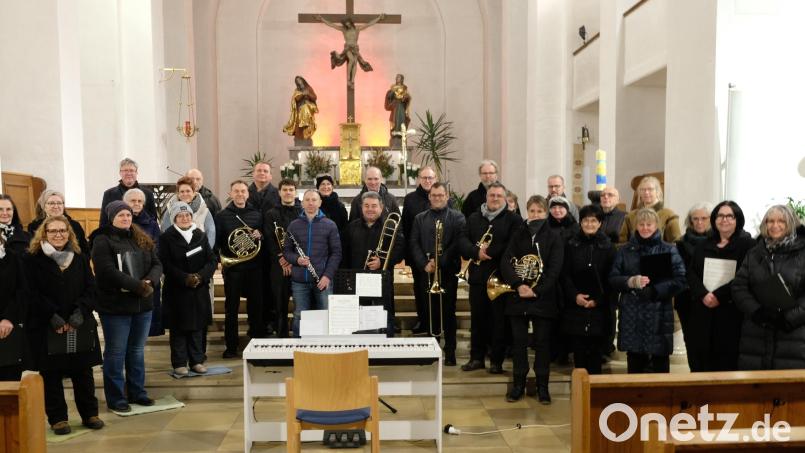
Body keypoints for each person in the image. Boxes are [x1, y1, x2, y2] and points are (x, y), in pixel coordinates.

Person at [26, 216, 103, 434]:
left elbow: (91, 288)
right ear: (44, 234)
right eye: (53, 231)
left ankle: (90, 414)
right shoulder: (32, 259)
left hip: (78, 323)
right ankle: (58, 418)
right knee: (51, 373)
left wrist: (80, 311)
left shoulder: (79, 257)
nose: (58, 234)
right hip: (47, 324)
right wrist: (51, 315)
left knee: (83, 371)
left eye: (62, 230)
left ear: (69, 233)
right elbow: (30, 293)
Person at [91, 200, 162, 412]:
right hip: (116, 307)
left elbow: (157, 263)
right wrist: (137, 286)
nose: (125, 218)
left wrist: (150, 281)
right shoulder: (102, 239)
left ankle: (137, 392)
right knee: (115, 353)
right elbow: (106, 271)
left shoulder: (141, 237)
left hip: (142, 305)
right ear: (111, 218)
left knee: (137, 351)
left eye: (128, 215)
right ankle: (116, 398)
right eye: (121, 215)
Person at [609, 208, 686, 374]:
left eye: (649, 224)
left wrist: (656, 291)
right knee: (635, 365)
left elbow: (680, 280)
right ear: (636, 226)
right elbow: (613, 278)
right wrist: (631, 281)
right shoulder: (624, 250)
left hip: (659, 312)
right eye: (641, 224)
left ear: (656, 225)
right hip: (632, 313)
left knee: (660, 366)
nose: (645, 228)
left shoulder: (669, 249)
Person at [501, 204, 563, 403]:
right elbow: (506, 261)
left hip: (543, 297)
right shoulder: (518, 233)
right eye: (532, 211)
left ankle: (542, 387)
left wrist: (536, 290)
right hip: (518, 296)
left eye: (539, 211)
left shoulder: (554, 236)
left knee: (542, 343)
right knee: (518, 343)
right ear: (527, 212)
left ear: (545, 213)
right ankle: (518, 385)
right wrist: (518, 285)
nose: (535, 215)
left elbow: (554, 269)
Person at [733, 205, 805, 370]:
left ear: (791, 223)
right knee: (756, 383)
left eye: (781, 221)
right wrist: (757, 311)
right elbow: (739, 287)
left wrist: (789, 318)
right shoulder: (754, 253)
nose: (775, 225)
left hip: (794, 334)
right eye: (770, 221)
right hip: (756, 333)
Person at [685, 201, 754, 372]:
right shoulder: (703, 244)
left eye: (730, 216)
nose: (724, 220)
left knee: (726, 361)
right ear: (714, 219)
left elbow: (744, 276)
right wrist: (704, 294)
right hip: (703, 309)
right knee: (701, 359)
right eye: (720, 216)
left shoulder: (748, 245)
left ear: (738, 219)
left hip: (730, 310)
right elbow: (692, 273)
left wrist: (718, 295)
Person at [459, 182, 520, 373]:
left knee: (498, 322)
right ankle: (476, 358)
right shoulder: (474, 217)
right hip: (477, 277)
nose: (495, 198)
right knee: (477, 320)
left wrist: (489, 252)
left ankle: (496, 361)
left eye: (499, 196)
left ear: (505, 198)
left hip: (500, 278)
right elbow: (462, 240)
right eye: (491, 195)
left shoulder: (513, 219)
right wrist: (476, 252)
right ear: (486, 197)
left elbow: (513, 244)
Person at [410, 183, 466, 365]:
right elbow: (414, 243)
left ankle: (450, 352)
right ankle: (431, 350)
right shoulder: (420, 218)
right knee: (429, 311)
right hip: (427, 272)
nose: (437, 198)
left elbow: (458, 243)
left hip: (448, 271)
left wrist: (439, 262)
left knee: (448, 311)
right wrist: (424, 263)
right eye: (434, 195)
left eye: (441, 195)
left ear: (447, 196)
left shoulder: (457, 217)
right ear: (429, 196)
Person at [159, 202, 217, 376]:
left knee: (198, 328)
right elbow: (165, 263)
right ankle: (179, 363)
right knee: (178, 328)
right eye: (180, 216)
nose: (184, 218)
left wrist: (200, 276)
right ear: (174, 218)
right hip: (177, 289)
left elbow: (211, 260)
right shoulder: (166, 237)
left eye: (187, 215)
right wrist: (185, 278)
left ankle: (197, 361)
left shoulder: (200, 235)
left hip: (198, 289)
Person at [560, 205, 615, 375]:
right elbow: (564, 275)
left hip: (599, 308)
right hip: (576, 306)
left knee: (596, 355)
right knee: (579, 355)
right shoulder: (570, 245)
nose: (589, 224)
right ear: (580, 222)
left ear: (600, 223)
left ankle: (595, 389)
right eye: (585, 220)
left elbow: (611, 278)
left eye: (593, 221)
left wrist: (598, 300)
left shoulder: (608, 247)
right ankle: (580, 389)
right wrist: (575, 295)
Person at [341, 192, 405, 335]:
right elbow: (344, 254)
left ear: (381, 208)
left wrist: (382, 261)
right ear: (361, 207)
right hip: (357, 280)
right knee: (360, 319)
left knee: (384, 316)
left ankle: (386, 343)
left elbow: (400, 250)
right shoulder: (351, 228)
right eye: (367, 206)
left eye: (374, 206)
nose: (370, 209)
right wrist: (347, 278)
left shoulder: (390, 227)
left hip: (381, 280)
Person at [215, 180, 265, 358]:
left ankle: (256, 344)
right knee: (231, 309)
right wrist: (220, 261)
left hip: (254, 268)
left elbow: (263, 237)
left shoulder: (257, 214)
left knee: (256, 308)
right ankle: (231, 346)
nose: (240, 194)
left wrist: (260, 235)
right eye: (236, 191)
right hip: (233, 269)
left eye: (243, 191)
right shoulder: (222, 216)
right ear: (230, 194)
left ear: (248, 194)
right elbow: (217, 242)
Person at [284, 190, 342, 337]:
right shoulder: (293, 225)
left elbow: (336, 253)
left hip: (322, 279)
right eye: (307, 200)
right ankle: (298, 347)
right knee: (299, 315)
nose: (311, 203)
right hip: (299, 281)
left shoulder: (330, 225)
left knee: (325, 314)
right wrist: (297, 259)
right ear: (302, 203)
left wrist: (327, 276)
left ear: (320, 203)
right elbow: (287, 252)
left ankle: (324, 346)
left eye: (314, 200)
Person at [402, 167, 441, 334]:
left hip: (439, 255)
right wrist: (412, 255)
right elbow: (406, 228)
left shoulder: (443, 197)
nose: (427, 180)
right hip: (417, 254)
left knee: (438, 291)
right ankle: (423, 320)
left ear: (435, 178)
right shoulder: (410, 199)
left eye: (430, 177)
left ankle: (438, 322)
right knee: (419, 289)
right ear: (418, 179)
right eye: (424, 177)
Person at [674, 202, 713, 360]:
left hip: (712, 298)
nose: (699, 222)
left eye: (704, 218)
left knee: (711, 343)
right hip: (687, 299)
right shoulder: (680, 244)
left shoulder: (719, 242)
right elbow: (679, 272)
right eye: (695, 219)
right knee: (691, 342)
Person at [264, 179, 301, 338]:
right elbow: (269, 238)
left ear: (295, 192)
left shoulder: (303, 212)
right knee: (280, 304)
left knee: (301, 304)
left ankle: (301, 337)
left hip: (299, 265)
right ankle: (282, 338)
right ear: (279, 192)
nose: (288, 192)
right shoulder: (270, 214)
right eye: (284, 190)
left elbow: (304, 239)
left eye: (291, 189)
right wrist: (282, 259)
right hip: (279, 265)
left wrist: (293, 260)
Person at [124, 188, 162, 336]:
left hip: (147, 272)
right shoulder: (120, 221)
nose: (137, 203)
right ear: (125, 203)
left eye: (140, 201)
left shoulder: (152, 224)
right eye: (133, 201)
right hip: (126, 273)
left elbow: (157, 248)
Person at [248, 161, 280, 335]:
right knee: (253, 289)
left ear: (270, 175)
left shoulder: (277, 193)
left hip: (271, 248)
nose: (262, 173)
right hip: (249, 248)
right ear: (253, 174)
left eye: (265, 171)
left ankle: (271, 322)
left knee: (271, 288)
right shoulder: (245, 192)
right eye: (259, 170)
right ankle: (255, 323)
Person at [316, 13, 386, 88]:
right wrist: (322, 19)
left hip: (355, 48)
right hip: (348, 48)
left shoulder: (357, 29)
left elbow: (368, 24)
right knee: (352, 60)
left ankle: (352, 81)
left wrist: (379, 18)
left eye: (348, 23)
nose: (347, 25)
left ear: (351, 22)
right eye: (346, 24)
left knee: (355, 63)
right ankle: (348, 79)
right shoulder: (343, 29)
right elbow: (332, 25)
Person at [619, 176, 681, 243]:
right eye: (643, 189)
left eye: (650, 189)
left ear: (657, 191)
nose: (646, 192)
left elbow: (675, 242)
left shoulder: (668, 214)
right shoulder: (631, 215)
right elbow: (622, 241)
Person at [0, 230, 27, 381]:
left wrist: (8, 318)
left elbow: (22, 290)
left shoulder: (13, 258)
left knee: (9, 382)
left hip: (8, 328)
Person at [160, 176, 216, 248]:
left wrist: (205, 251)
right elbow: (165, 233)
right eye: (182, 191)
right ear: (178, 194)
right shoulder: (170, 211)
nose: (185, 194)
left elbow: (211, 233)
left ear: (194, 192)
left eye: (188, 191)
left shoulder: (204, 211)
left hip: (200, 252)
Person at [99, 158, 156, 227]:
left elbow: (153, 218)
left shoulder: (148, 193)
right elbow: (104, 220)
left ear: (136, 173)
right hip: (116, 232)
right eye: (125, 170)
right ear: (120, 173)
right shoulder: (109, 194)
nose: (129, 173)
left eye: (131, 170)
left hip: (143, 231)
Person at [283, 76, 318, 142]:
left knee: (306, 108)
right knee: (303, 109)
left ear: (302, 80)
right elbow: (295, 99)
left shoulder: (308, 88)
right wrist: (302, 94)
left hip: (308, 107)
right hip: (300, 108)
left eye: (300, 80)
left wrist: (308, 94)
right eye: (297, 81)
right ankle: (303, 124)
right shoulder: (297, 90)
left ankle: (306, 124)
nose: (299, 82)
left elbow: (314, 97)